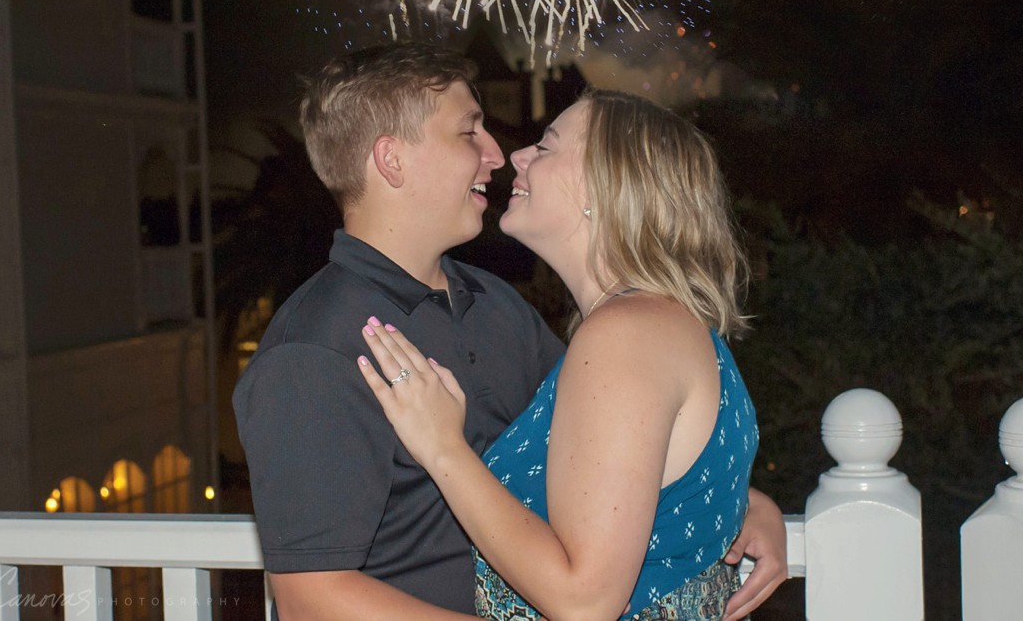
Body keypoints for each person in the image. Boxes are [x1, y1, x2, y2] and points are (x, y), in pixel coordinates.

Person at [233, 45, 786, 621]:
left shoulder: (495, 305)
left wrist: (739, 501)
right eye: (468, 131)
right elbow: (309, 599)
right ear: (392, 161)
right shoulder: (316, 349)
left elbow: (619, 450)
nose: (499, 153)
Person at [359, 89, 761, 620]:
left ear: (606, 185)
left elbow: (585, 600)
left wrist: (442, 448)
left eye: (545, 148)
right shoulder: (665, 326)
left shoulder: (626, 335)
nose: (516, 157)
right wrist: (758, 506)